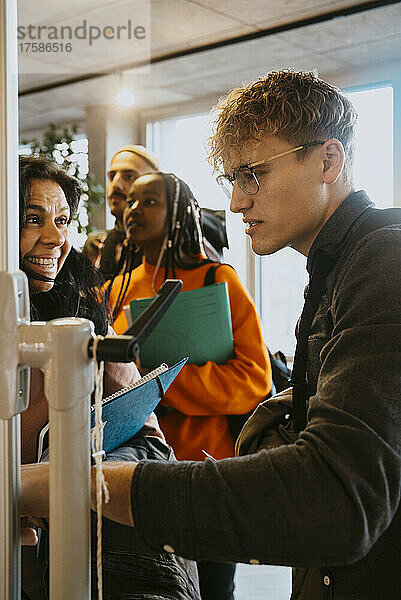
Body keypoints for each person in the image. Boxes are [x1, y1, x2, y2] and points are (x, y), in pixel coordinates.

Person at [21, 70, 401, 600]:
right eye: (232, 181)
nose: (238, 203)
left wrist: (73, 484)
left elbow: (337, 500)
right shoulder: (338, 271)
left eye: (253, 175)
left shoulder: (383, 262)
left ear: (328, 161)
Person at [19, 155, 200, 600]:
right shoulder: (113, 283)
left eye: (63, 220)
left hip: (92, 512)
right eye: (32, 219)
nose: (56, 238)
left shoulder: (80, 301)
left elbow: (137, 412)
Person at [106, 171, 272, 600]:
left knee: (216, 590)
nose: (133, 210)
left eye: (149, 202)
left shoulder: (220, 281)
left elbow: (255, 380)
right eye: (131, 202)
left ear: (179, 212)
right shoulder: (113, 290)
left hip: (209, 470)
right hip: (137, 472)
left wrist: (160, 382)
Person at [83, 145, 160, 280]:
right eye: (112, 176)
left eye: (129, 176)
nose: (115, 185)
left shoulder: (168, 246)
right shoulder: (95, 245)